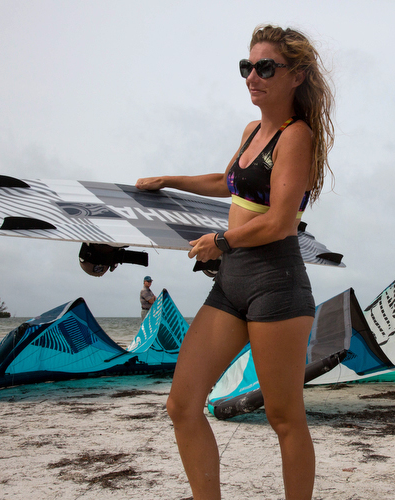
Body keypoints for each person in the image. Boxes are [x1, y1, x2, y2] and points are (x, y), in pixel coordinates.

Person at [136, 24, 334, 499]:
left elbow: (282, 223)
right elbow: (229, 181)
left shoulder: (297, 136)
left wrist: (221, 242)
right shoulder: (252, 131)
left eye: (266, 67)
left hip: (277, 282)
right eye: (247, 67)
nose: (252, 77)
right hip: (231, 284)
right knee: (182, 405)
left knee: (284, 417)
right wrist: (170, 179)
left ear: (297, 76)